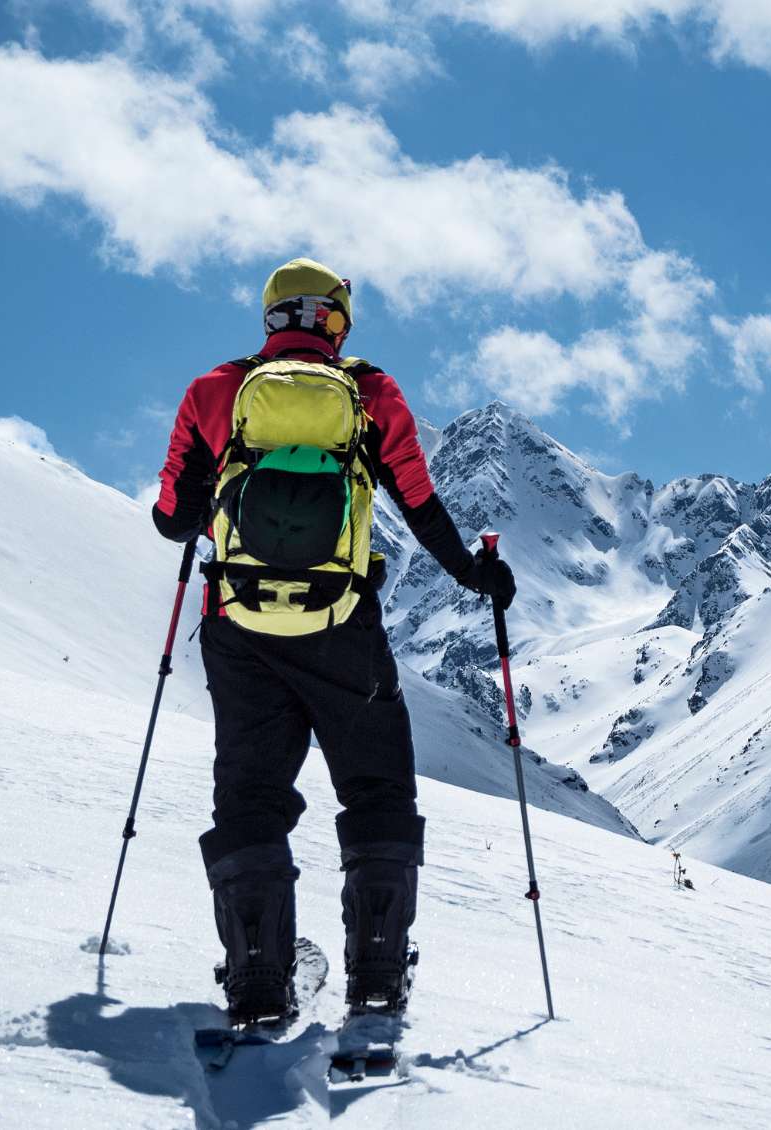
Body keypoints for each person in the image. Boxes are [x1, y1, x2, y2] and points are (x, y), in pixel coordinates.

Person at [151, 257, 516, 1026]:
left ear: (271, 318)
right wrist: (476, 576)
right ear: (336, 321)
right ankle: (377, 974)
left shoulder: (215, 392)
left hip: (240, 626)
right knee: (377, 788)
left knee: (249, 797)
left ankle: (256, 980)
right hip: (341, 622)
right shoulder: (370, 394)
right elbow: (419, 504)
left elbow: (171, 520)